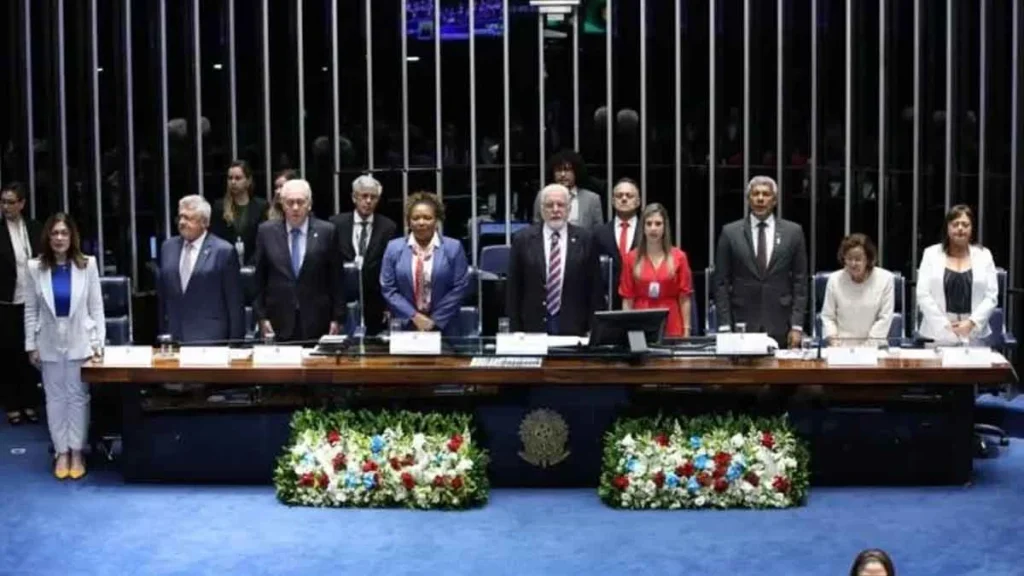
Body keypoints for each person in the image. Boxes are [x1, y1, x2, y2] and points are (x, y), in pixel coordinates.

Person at [23, 213, 105, 480]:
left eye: (64, 233)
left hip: (79, 340)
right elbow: (31, 310)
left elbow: (96, 307)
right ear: (48, 237)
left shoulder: (87, 265)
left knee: (78, 397)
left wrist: (99, 343)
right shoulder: (35, 267)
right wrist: (30, 344)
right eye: (55, 233)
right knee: (55, 399)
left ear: (72, 237)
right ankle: (61, 452)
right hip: (47, 339)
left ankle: (77, 451)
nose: (59, 238)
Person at [714, 175, 808, 348]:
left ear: (774, 200)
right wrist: (725, 325)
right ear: (748, 199)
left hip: (781, 322)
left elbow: (800, 282)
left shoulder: (793, 232)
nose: (760, 199)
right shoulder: (730, 232)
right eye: (755, 194)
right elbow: (721, 283)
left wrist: (797, 325)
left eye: (766, 194)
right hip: (742, 322)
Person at [253, 179, 344, 342]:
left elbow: (336, 279)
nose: (295, 207)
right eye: (290, 202)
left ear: (309, 204)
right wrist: (261, 317)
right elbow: (259, 279)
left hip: (317, 320)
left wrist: (337, 318)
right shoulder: (266, 232)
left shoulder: (327, 232)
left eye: (300, 202)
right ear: (282, 204)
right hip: (277, 320)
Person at [509, 184, 603, 335]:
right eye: (549, 205)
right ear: (541, 209)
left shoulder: (586, 239)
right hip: (532, 327)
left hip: (574, 327)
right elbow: (514, 288)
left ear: (569, 208)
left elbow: (595, 289)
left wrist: (594, 328)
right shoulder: (523, 239)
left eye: (560, 205)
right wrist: (515, 329)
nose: (555, 210)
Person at [157, 195, 244, 343]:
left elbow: (234, 303)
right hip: (174, 338)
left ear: (205, 222)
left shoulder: (223, 251)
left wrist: (235, 345)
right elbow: (163, 297)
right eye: (181, 217)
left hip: (210, 340)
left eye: (189, 218)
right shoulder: (168, 247)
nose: (183, 222)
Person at [380, 192, 469, 336]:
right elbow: (388, 289)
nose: (421, 222)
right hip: (406, 326)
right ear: (409, 221)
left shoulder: (454, 247)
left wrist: (434, 321)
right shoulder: (393, 248)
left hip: (445, 328)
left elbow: (460, 287)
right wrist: (414, 316)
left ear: (436, 220)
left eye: (427, 218)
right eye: (416, 218)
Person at [915, 204, 999, 345]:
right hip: (937, 332)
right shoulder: (930, 254)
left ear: (971, 229)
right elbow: (922, 294)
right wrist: (945, 326)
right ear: (948, 228)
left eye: (965, 224)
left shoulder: (984, 255)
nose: (960, 228)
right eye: (955, 224)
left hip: (974, 332)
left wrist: (972, 323)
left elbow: (991, 296)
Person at [331, 175, 398, 335]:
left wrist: (388, 305)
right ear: (354, 197)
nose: (368, 201)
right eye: (364, 196)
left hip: (375, 302)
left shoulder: (388, 227)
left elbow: (391, 268)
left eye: (373, 197)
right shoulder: (335, 224)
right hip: (342, 301)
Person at [0, 182, 43, 426]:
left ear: (22, 204)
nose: (6, 207)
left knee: (31, 353)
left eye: (11, 202)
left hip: (33, 299)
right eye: (3, 202)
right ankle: (12, 405)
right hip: (6, 300)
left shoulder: (35, 228)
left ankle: (30, 402)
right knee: (8, 354)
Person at [618, 203, 693, 337]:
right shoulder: (631, 258)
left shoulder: (679, 257)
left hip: (671, 322)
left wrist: (686, 331)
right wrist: (627, 330)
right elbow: (627, 299)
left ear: (665, 227)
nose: (653, 228)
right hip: (640, 322)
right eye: (649, 223)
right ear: (643, 227)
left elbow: (684, 298)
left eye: (658, 224)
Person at [820, 233, 894, 344]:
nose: (853, 264)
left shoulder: (885, 279)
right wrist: (833, 340)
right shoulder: (834, 279)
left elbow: (884, 318)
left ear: (868, 259)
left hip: (874, 347)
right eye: (849, 259)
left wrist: (867, 347)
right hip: (841, 347)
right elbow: (828, 316)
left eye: (858, 259)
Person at [595, 178, 642, 310]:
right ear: (612, 201)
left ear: (638, 201)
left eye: (629, 195)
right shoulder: (599, 233)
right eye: (619, 195)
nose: (624, 199)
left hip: (640, 299)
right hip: (608, 301)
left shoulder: (647, 231)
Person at [210, 160, 268, 265]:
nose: (233, 182)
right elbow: (215, 238)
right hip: (226, 263)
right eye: (230, 178)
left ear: (248, 180)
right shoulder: (219, 206)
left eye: (238, 178)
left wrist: (253, 263)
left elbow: (263, 240)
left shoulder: (261, 206)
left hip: (253, 264)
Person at [532, 149, 603, 229]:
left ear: (576, 172)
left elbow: (597, 231)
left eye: (567, 170)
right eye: (558, 170)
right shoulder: (543, 195)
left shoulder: (592, 199)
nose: (562, 174)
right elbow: (536, 226)